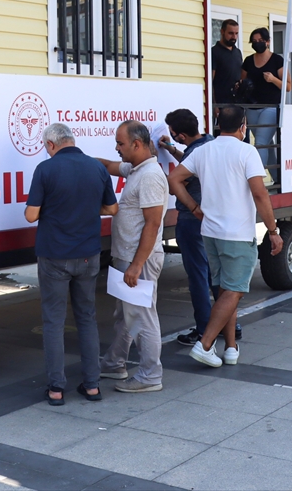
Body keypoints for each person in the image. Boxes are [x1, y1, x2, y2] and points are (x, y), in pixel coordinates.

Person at [168, 105, 282, 367]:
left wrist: (194, 208)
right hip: (237, 233)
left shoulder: (204, 150)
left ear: (219, 124)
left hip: (210, 232)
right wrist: (273, 231)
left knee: (224, 291)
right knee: (234, 290)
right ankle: (205, 344)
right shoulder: (247, 151)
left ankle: (230, 348)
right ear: (244, 126)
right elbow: (259, 194)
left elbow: (174, 179)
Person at [25, 123, 119, 405]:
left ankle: (56, 389)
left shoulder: (46, 169)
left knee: (54, 321)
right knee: (86, 318)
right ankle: (92, 385)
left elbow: (31, 216)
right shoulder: (96, 168)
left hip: (54, 256)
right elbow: (112, 208)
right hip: (89, 255)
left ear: (52, 145)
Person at [96, 121, 170, 393]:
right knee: (125, 316)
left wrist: (137, 265)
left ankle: (151, 375)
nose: (117, 148)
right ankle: (115, 363)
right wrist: (75, 157)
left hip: (138, 260)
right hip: (127, 257)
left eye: (120, 143)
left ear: (137, 145)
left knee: (142, 317)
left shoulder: (149, 176)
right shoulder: (136, 168)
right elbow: (108, 166)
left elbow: (152, 224)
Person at [156, 109, 216, 347]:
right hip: (211, 218)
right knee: (215, 273)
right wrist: (171, 150)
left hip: (192, 221)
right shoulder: (209, 142)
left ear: (180, 134)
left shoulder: (195, 152)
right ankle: (227, 323)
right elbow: (191, 160)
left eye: (172, 133)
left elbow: (177, 182)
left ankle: (204, 330)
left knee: (198, 277)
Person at [240, 27, 287, 183]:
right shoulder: (248, 61)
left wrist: (273, 79)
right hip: (252, 107)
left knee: (260, 144)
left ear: (268, 42)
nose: (257, 43)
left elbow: (288, 86)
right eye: (254, 41)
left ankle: (257, 182)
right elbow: (242, 82)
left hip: (271, 107)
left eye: (260, 41)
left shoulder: (277, 60)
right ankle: (278, 180)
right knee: (267, 144)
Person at [211, 19, 243, 106]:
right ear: (222, 32)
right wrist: (214, 105)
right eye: (230, 33)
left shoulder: (238, 52)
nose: (234, 37)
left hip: (237, 103)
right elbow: (210, 81)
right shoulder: (214, 52)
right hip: (221, 104)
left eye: (236, 33)